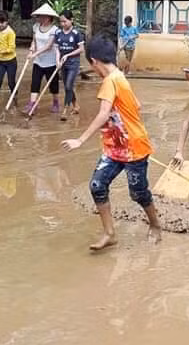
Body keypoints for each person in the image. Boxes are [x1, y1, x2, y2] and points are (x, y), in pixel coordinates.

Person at [62, 34, 162, 251]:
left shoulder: (110, 81)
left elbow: (103, 114)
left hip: (134, 148)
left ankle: (155, 225)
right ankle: (110, 233)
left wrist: (80, 139)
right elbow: (138, 104)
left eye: (92, 66)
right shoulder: (120, 78)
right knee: (97, 185)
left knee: (138, 192)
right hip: (115, 147)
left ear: (94, 62)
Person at [26, 2, 60, 114]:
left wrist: (34, 54)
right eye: (40, 15)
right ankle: (32, 104)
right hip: (38, 62)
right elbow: (34, 41)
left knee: (53, 86)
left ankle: (55, 102)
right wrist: (31, 49)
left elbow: (48, 46)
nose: (40, 18)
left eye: (43, 16)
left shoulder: (54, 30)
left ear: (49, 17)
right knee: (35, 83)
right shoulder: (36, 27)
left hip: (50, 62)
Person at [55, 9, 84, 121]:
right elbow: (57, 48)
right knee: (68, 86)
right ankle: (76, 105)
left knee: (68, 86)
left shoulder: (76, 34)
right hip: (63, 63)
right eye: (61, 22)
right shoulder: (58, 33)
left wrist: (68, 55)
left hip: (73, 63)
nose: (63, 24)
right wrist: (57, 61)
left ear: (71, 20)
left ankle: (65, 110)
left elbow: (81, 49)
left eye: (65, 21)